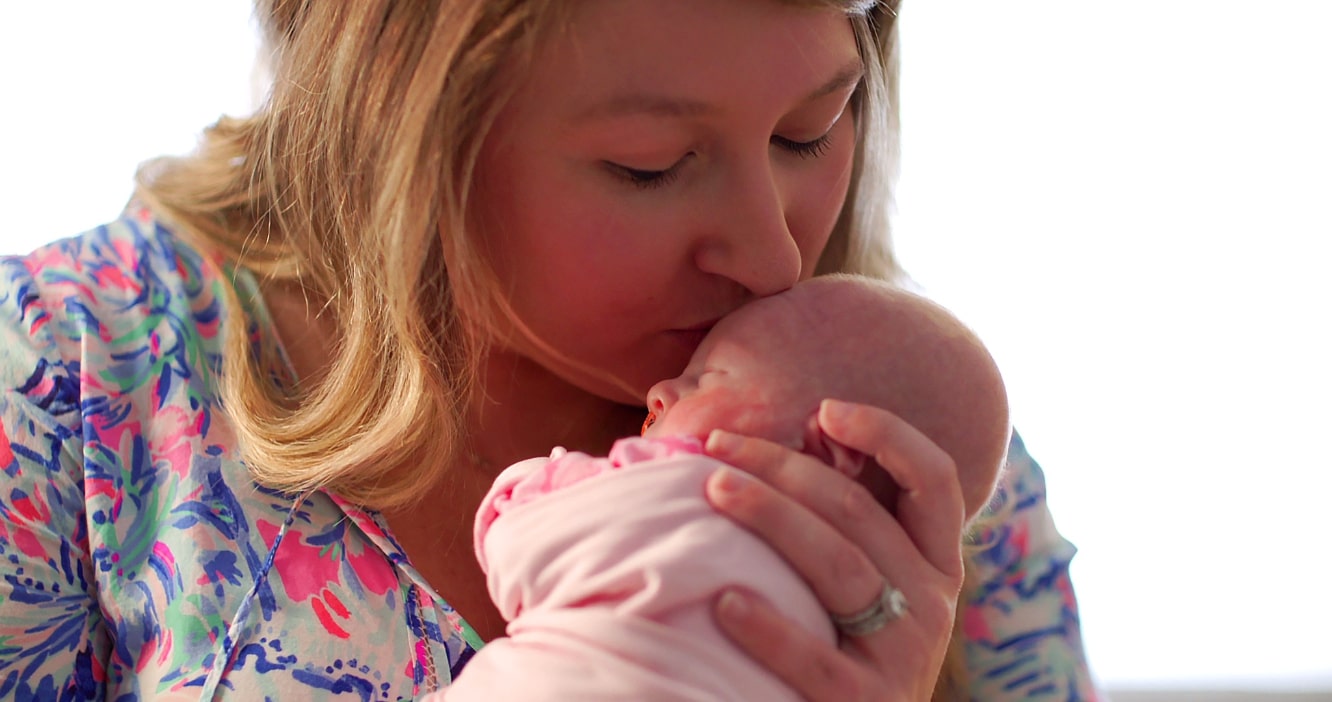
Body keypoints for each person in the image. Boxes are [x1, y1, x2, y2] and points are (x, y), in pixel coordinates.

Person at [0, 1, 1098, 700]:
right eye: (651, 163)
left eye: (811, 130)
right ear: (406, 128)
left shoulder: (896, 459)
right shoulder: (63, 387)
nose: (771, 260)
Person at [430, 274, 1011, 701]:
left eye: (706, 379)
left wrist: (528, 487)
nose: (661, 391)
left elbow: (527, 545)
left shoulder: (684, 486)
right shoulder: (859, 599)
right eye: (649, 164)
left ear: (834, 446)